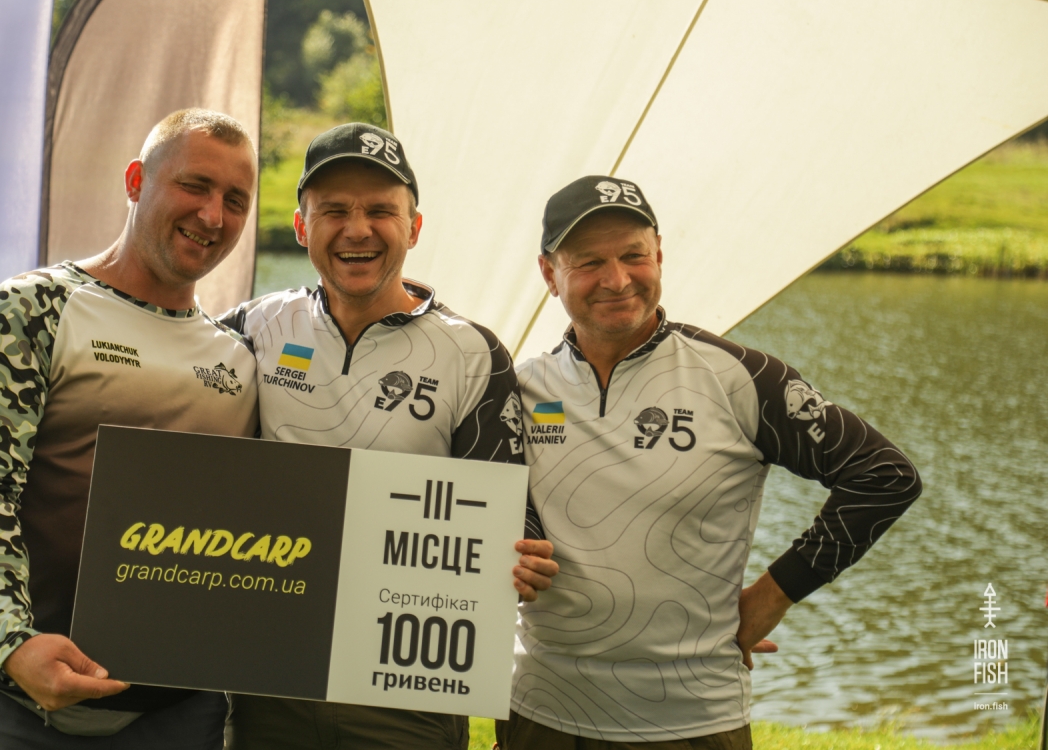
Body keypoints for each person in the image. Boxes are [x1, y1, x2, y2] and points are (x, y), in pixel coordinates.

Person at [500, 176, 923, 749]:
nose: (617, 279)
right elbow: (488, 516)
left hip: (693, 720)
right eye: (590, 262)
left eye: (633, 256)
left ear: (659, 255)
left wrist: (772, 596)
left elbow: (884, 476)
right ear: (549, 274)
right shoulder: (519, 388)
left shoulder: (739, 378)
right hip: (541, 711)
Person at [0, 108, 260, 749]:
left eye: (235, 200)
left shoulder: (240, 359)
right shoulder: (29, 308)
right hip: (4, 697)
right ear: (136, 181)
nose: (213, 215)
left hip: (172, 712)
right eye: (194, 186)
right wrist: (13, 642)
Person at [219, 122, 560, 750]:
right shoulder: (252, 327)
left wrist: (522, 552)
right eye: (334, 211)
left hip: (407, 690)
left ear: (414, 227)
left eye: (380, 211)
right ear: (301, 227)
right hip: (268, 681)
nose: (358, 230)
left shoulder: (472, 353)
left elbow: (508, 510)